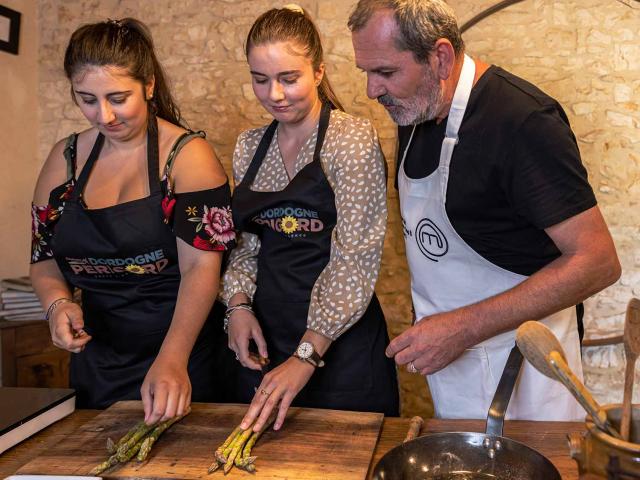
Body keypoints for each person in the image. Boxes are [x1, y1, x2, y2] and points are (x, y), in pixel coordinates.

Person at [349, 0, 621, 420]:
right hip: (454, 370)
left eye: (385, 72)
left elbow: (598, 262)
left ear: (439, 57)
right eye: (366, 72)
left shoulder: (523, 121)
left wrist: (463, 328)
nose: (372, 90)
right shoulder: (414, 110)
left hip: (529, 375)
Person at [30, 18, 236, 422]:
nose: (104, 115)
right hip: (98, 364)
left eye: (118, 97)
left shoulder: (188, 158)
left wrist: (173, 359)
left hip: (184, 357)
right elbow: (43, 256)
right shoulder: (64, 159)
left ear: (149, 86)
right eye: (87, 99)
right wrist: (56, 304)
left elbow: (201, 269)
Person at [221, 5, 399, 433]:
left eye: (288, 78)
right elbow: (245, 245)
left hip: (340, 349)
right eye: (260, 80)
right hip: (267, 339)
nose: (274, 95)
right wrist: (237, 307)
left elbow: (355, 260)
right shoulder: (249, 147)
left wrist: (307, 354)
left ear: (318, 72)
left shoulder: (350, 139)